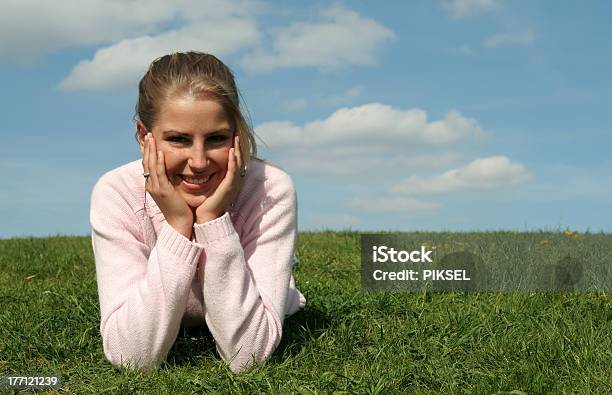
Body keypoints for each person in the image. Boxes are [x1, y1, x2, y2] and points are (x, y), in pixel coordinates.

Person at [89, 51, 306, 373]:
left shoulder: (270, 189)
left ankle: (283, 294)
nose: (200, 161)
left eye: (216, 138)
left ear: (236, 136)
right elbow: (132, 356)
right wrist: (178, 225)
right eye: (178, 140)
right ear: (142, 136)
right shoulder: (116, 192)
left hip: (253, 299)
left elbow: (248, 355)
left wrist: (213, 220)